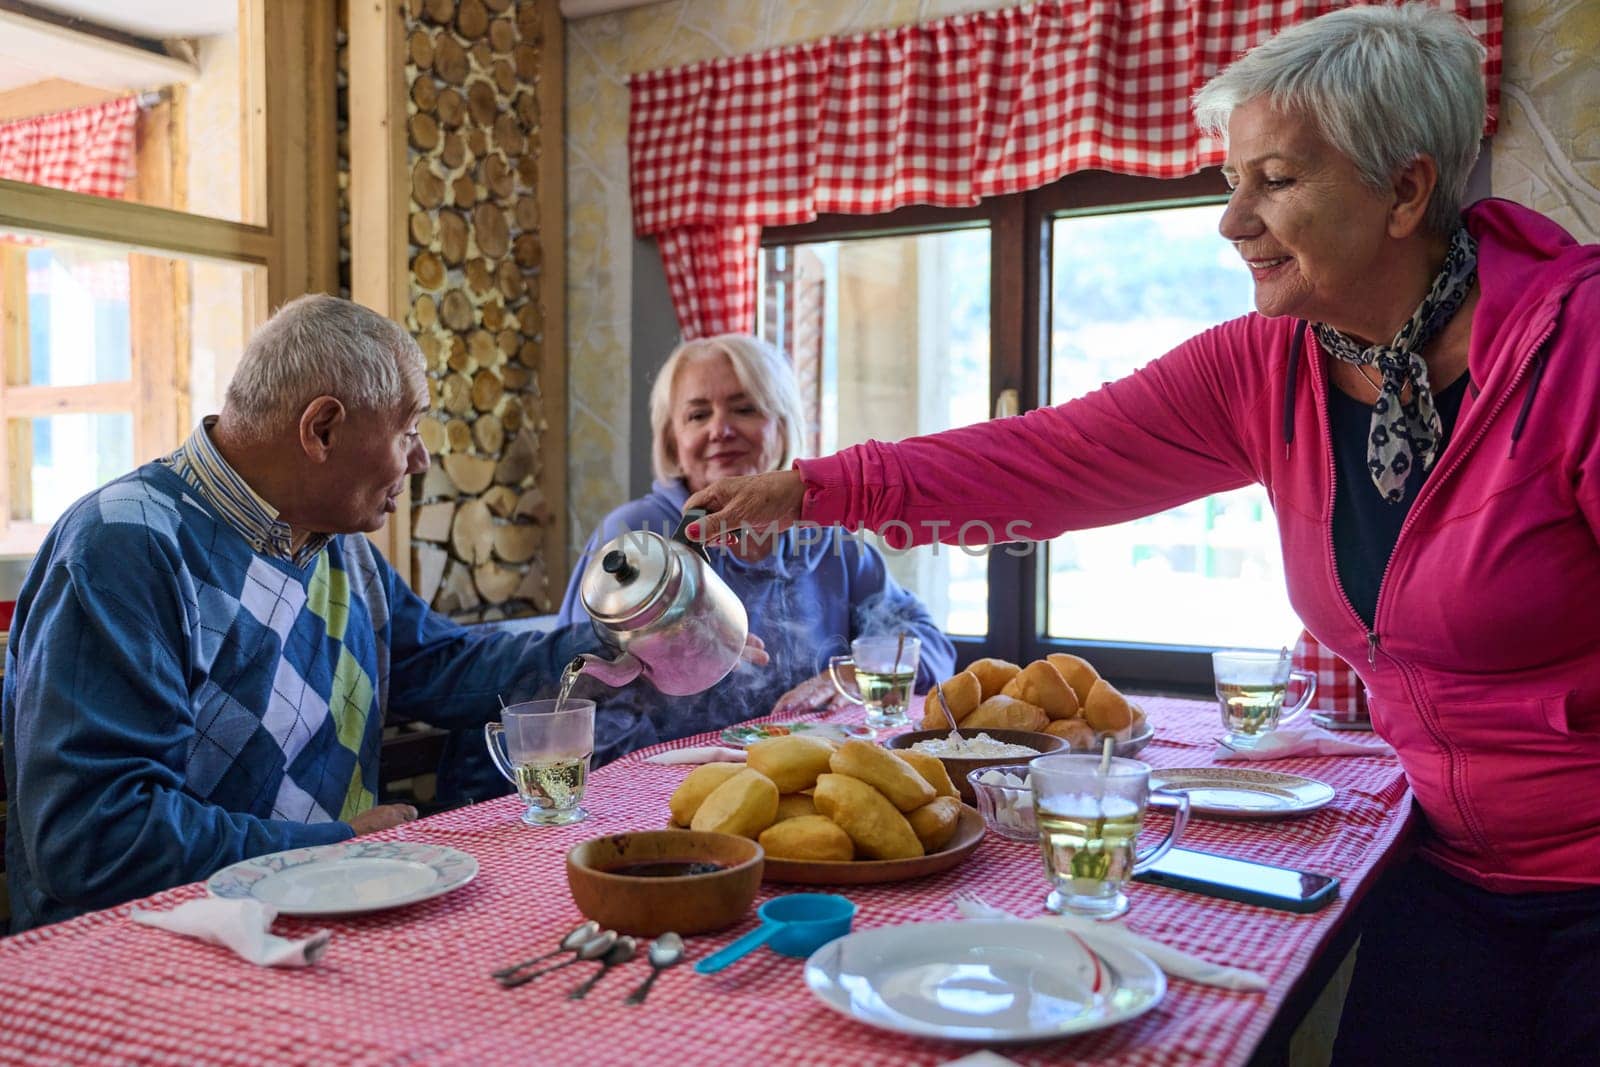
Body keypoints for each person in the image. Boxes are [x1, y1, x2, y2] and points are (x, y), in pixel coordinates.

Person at [681, 7, 1600, 1063]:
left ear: (1404, 188)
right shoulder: (1271, 365)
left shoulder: (1572, 347)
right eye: (1231, 181)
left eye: (1276, 179)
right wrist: (815, 487)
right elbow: (1039, 460)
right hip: (1447, 868)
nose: (1231, 220)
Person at [0, 294, 600, 932]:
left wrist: (615, 642)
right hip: (139, 954)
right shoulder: (125, 545)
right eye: (408, 431)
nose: (419, 461)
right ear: (322, 430)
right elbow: (94, 836)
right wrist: (333, 845)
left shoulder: (334, 547)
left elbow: (444, 666)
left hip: (318, 917)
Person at [563, 333, 954, 730]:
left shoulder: (826, 541)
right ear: (671, 439)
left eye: (744, 409)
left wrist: (856, 673)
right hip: (664, 778)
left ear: (783, 427)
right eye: (698, 415)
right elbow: (580, 684)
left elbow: (931, 646)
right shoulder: (636, 536)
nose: (721, 430)